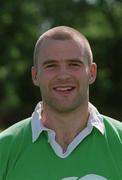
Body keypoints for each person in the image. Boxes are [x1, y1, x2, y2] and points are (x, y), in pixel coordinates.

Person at [0, 26, 122, 180]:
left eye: (74, 64)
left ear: (91, 73)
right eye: (51, 65)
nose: (63, 75)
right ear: (35, 75)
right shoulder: (4, 149)